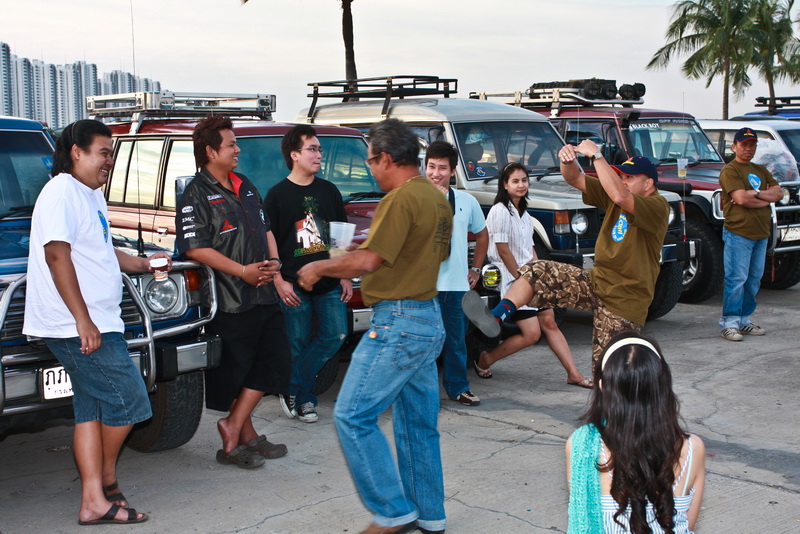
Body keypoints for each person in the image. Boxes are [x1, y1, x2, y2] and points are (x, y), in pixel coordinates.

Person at [297, 119, 452, 534]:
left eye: (370, 162)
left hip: (398, 321)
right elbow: (421, 253)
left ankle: (392, 512)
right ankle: (430, 515)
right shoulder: (436, 197)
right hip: (427, 317)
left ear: (386, 159)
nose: (370, 169)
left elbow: (369, 261)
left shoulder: (400, 199)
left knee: (352, 416)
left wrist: (318, 266)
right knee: (418, 426)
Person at [23, 119, 168, 525]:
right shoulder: (61, 192)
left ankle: (94, 500)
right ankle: (104, 482)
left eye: (111, 153)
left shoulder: (90, 195)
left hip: (98, 321)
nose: (110, 160)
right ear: (76, 152)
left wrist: (143, 263)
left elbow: (102, 251)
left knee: (90, 409)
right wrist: (83, 320)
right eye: (103, 152)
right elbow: (57, 256)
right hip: (78, 325)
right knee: (131, 401)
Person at [464, 143, 669, 371]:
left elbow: (620, 196)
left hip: (625, 300)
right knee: (537, 271)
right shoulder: (616, 194)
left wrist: (597, 156)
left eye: (629, 177)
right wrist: (567, 159)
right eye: (620, 176)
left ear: (648, 184)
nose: (622, 181)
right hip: (597, 281)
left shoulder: (657, 206)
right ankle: (497, 316)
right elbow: (574, 179)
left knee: (608, 370)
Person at [176, 115, 290, 469]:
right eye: (231, 144)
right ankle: (243, 434)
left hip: (264, 292)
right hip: (228, 299)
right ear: (211, 152)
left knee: (275, 362)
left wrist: (274, 263)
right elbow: (196, 248)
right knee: (238, 370)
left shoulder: (246, 185)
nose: (237, 149)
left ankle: (234, 425)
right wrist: (242, 272)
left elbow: (265, 229)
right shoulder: (195, 193)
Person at [565, 331, 706, 533]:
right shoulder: (693, 448)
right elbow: (687, 525)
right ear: (663, 387)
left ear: (602, 386)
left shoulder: (581, 445)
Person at [473, 162, 592, 388]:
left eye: (524, 180)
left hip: (532, 277)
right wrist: (522, 277)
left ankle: (573, 374)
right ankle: (486, 358)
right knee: (532, 335)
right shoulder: (499, 210)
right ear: (505, 185)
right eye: (515, 181)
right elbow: (502, 249)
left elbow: (530, 250)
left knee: (550, 323)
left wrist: (540, 274)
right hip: (514, 278)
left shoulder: (525, 215)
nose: (521, 185)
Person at [264, 124, 352, 423]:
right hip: (293, 283)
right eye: (312, 149)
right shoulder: (276, 195)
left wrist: (343, 273)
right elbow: (267, 241)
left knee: (337, 334)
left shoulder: (329, 190)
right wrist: (278, 281)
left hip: (329, 281)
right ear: (294, 154)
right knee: (296, 342)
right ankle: (304, 400)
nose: (319, 155)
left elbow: (340, 234)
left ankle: (292, 385)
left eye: (319, 149)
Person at [424, 140, 488, 406]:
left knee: (456, 342)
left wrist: (476, 269)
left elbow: (482, 235)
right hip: (424, 285)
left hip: (457, 284)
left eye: (442, 168)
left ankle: (458, 387)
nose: (435, 173)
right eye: (431, 166)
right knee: (424, 342)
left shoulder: (467, 200)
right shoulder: (415, 199)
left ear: (453, 171)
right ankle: (424, 393)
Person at [718, 127, 782, 341]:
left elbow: (778, 193)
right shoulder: (730, 171)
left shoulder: (760, 170)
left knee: (753, 279)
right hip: (739, 232)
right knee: (736, 279)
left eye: (752, 145)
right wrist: (764, 198)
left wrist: (755, 193)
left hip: (761, 233)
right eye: (744, 145)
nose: (748, 148)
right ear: (734, 146)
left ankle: (744, 319)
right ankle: (729, 322)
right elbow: (740, 199)